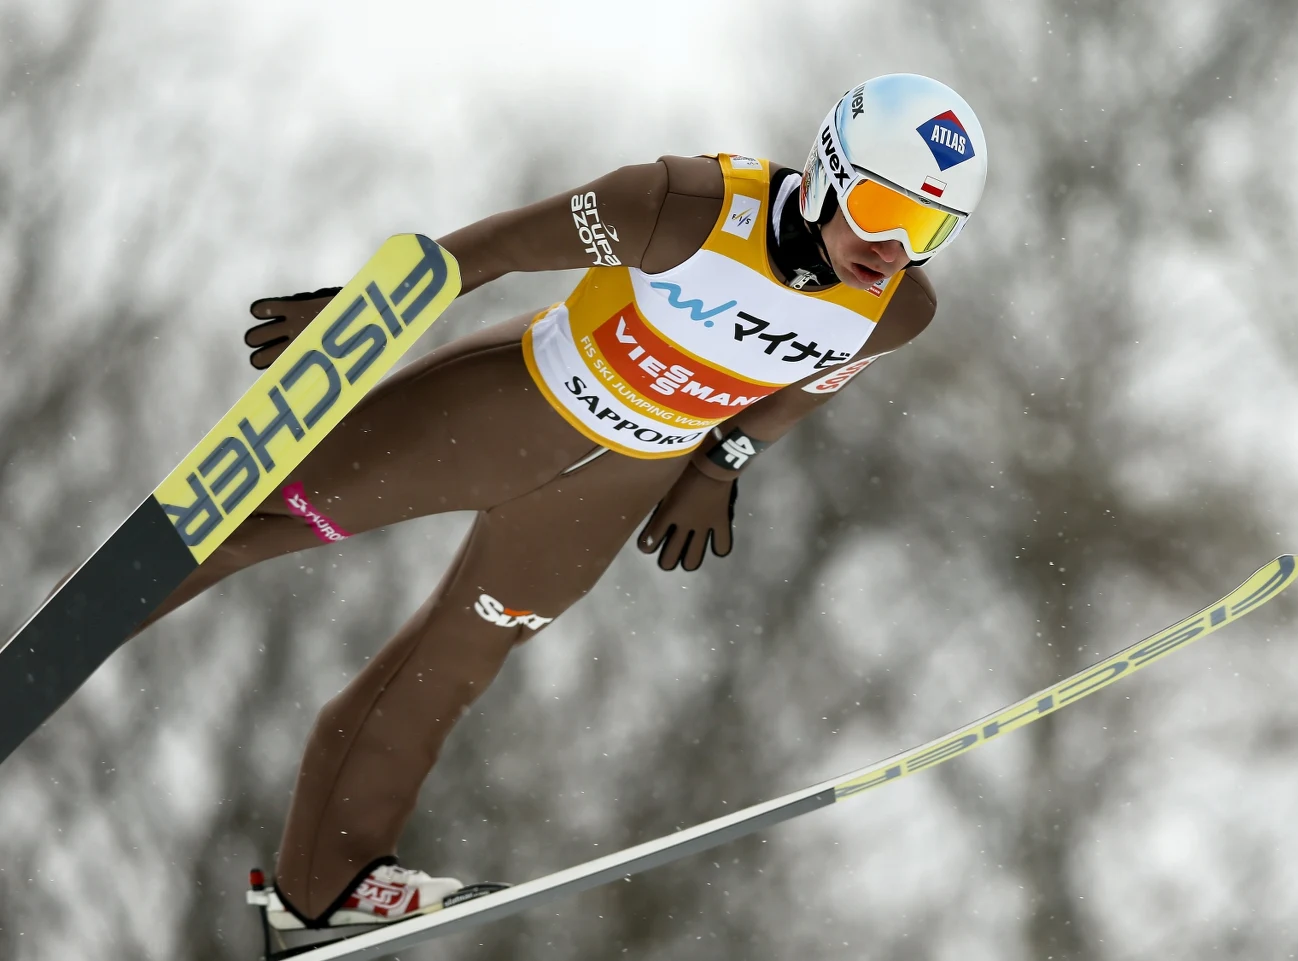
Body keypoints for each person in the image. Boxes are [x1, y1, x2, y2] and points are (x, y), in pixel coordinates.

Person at [141, 73, 988, 931]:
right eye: (886, 211)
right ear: (831, 171)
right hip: (511, 408)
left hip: (613, 488)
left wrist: (717, 468)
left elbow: (804, 389)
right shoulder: (686, 205)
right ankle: (51, 643)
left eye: (928, 229)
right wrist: (366, 316)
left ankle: (322, 891)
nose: (893, 249)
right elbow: (499, 248)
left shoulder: (897, 310)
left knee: (451, 664)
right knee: (252, 517)